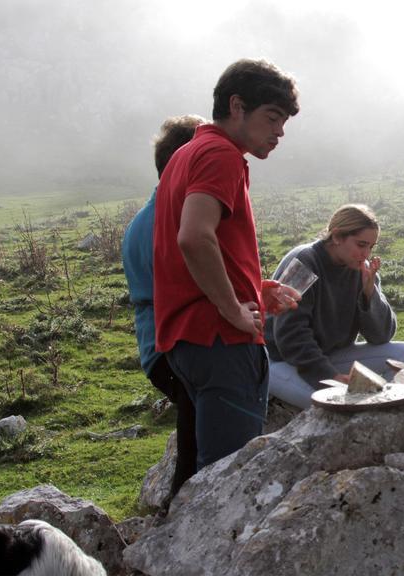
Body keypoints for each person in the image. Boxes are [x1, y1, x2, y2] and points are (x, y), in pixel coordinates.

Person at [153, 59, 301, 471]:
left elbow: (198, 244)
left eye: (284, 122)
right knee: (228, 478)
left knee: (206, 472)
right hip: (220, 340)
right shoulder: (221, 155)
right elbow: (194, 237)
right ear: (237, 105)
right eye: (272, 118)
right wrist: (233, 308)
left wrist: (254, 290)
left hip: (188, 338)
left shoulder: (186, 153)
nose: (279, 132)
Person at [121, 113, 205, 505]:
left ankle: (178, 512)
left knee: (195, 446)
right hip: (175, 348)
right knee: (196, 453)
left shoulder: (150, 217)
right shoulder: (168, 223)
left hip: (163, 348)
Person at [264, 204, 404, 409]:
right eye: (361, 245)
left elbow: (381, 336)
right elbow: (290, 335)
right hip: (282, 361)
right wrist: (330, 377)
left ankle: (380, 412)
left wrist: (368, 294)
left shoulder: (361, 269)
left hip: (332, 354)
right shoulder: (304, 262)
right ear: (337, 236)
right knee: (331, 405)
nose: (366, 254)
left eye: (371, 247)